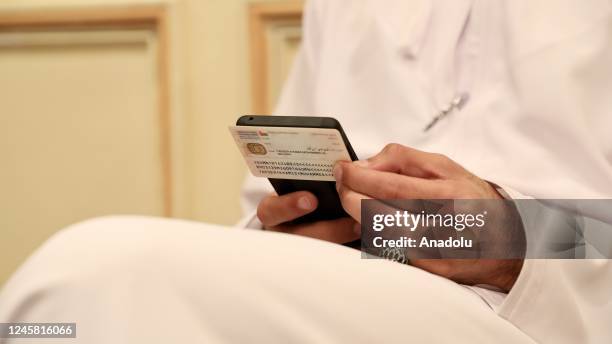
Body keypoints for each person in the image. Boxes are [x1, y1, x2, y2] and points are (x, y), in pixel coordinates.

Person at [1, 0, 611, 343]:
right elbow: (272, 194)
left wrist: (514, 245)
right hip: (344, 287)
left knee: (98, 271)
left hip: (548, 316)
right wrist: (283, 231)